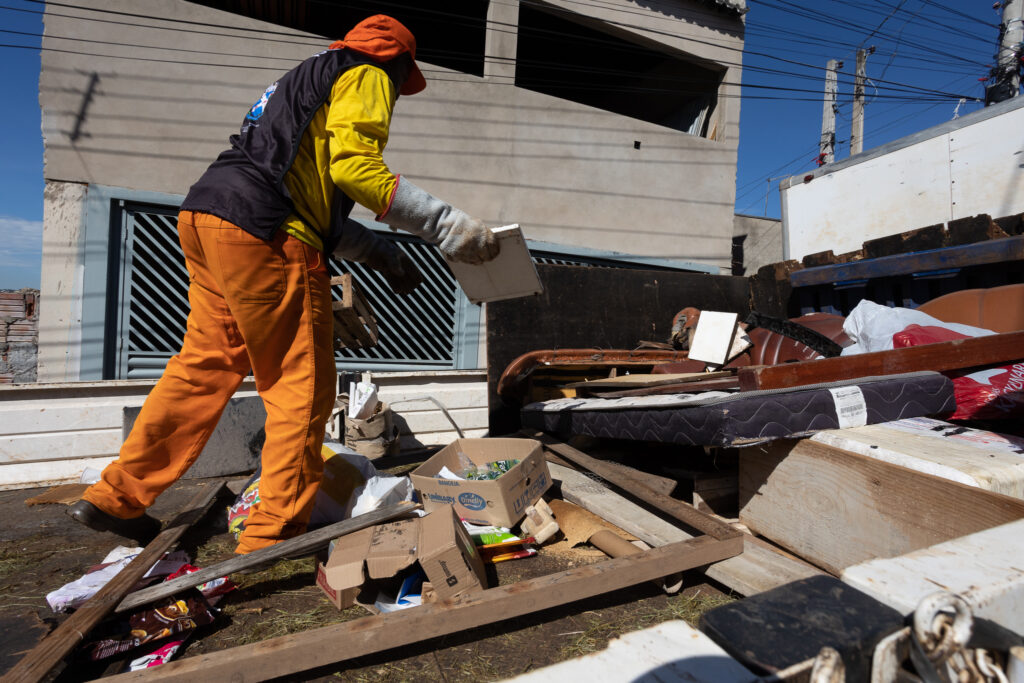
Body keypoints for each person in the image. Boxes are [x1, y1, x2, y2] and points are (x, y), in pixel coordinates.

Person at [67, 15, 500, 553]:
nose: (395, 94)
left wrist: (380, 251)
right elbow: (355, 170)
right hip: (268, 234)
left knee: (203, 368)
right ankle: (273, 531)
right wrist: (446, 225)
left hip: (209, 217)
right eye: (400, 83)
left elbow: (311, 199)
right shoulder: (369, 73)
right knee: (301, 386)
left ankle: (116, 497)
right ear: (398, 64)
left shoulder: (303, 80)